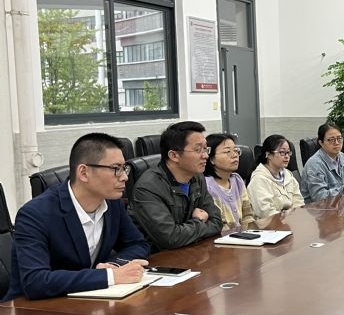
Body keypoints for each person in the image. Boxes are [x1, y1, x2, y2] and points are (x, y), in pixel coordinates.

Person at [4, 133, 150, 300]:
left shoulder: (112, 203)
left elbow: (138, 244)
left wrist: (114, 266)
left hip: (88, 299)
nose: (124, 177)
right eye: (116, 169)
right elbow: (36, 282)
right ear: (84, 173)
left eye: (124, 168)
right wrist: (110, 276)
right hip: (31, 308)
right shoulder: (35, 214)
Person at [131, 121, 223, 251]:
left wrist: (186, 231)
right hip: (157, 258)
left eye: (205, 149)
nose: (205, 156)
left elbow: (217, 222)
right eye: (198, 150)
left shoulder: (197, 177)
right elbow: (170, 238)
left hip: (190, 250)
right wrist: (198, 220)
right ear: (174, 155)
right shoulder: (148, 188)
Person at [301, 123, 344, 203]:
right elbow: (319, 197)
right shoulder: (314, 164)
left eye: (339, 138)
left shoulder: (343, 158)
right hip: (318, 209)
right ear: (321, 143)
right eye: (331, 140)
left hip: (340, 206)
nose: (337, 143)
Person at [204, 133, 255, 230]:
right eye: (227, 151)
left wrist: (250, 232)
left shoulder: (237, 180)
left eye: (236, 151)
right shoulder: (207, 185)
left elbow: (248, 214)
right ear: (211, 159)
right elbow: (219, 224)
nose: (235, 155)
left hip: (243, 235)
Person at [248, 134, 304, 218]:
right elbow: (265, 212)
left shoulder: (288, 175)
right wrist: (287, 218)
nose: (287, 156)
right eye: (282, 152)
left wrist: (295, 216)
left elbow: (299, 202)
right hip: (269, 224)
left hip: (291, 221)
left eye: (288, 152)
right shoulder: (259, 179)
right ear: (268, 155)